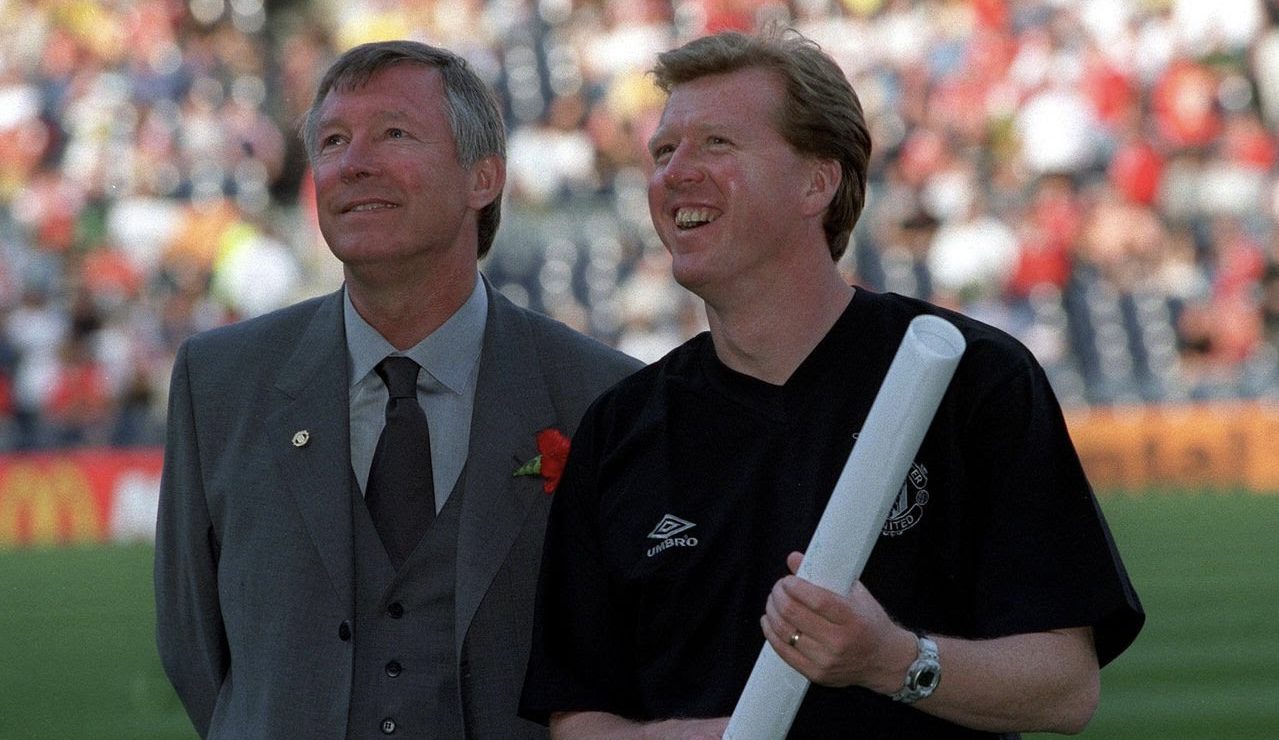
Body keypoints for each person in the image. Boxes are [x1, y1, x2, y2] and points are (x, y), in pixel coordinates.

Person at [520, 29, 1144, 739]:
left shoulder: (971, 379)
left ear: (817, 182)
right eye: (664, 152)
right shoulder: (619, 428)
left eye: (716, 144)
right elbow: (579, 719)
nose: (675, 173)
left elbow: (1063, 687)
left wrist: (890, 660)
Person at [154, 40, 640, 739]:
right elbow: (193, 648)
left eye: (394, 133)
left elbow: (620, 656)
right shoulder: (218, 381)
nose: (352, 163)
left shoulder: (602, 394)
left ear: (483, 178)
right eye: (332, 141)